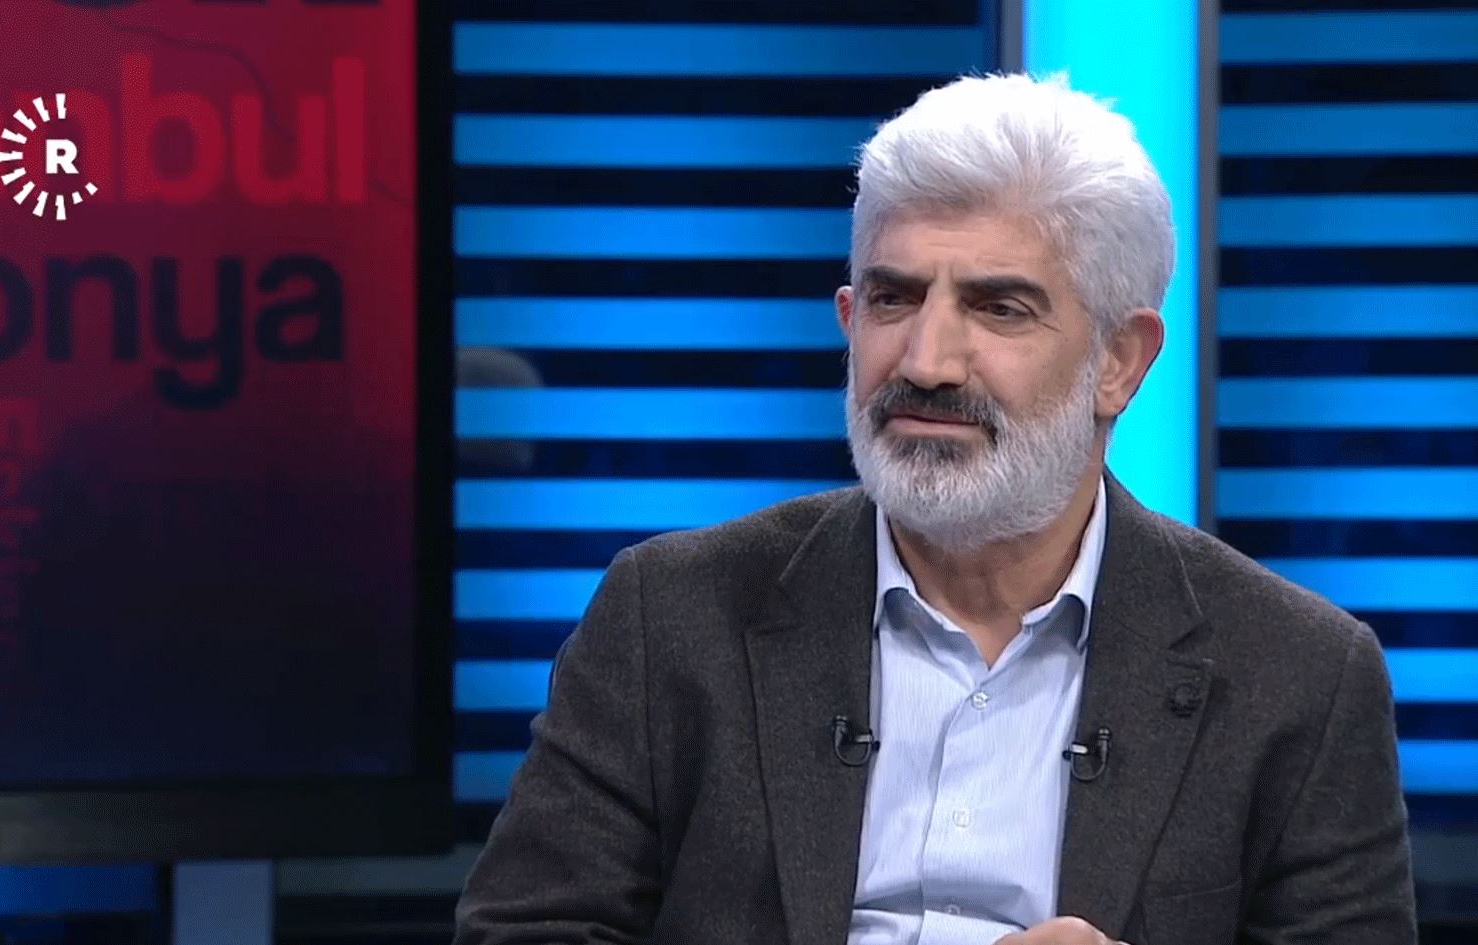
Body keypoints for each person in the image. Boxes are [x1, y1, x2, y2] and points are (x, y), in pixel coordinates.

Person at [453, 73, 1416, 945]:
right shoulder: (670, 613)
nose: (925, 361)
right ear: (848, 318)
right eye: (894, 299)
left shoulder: (1299, 674)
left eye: (999, 308)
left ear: (1119, 362)